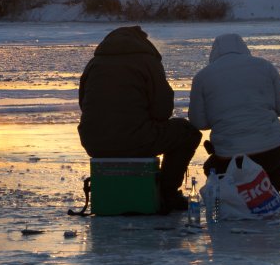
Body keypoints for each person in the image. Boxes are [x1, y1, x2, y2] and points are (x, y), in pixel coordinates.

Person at [78, 26, 201, 212]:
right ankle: (167, 193)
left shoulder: (94, 64)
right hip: (136, 140)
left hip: (94, 143)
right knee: (187, 133)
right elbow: (162, 111)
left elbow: (83, 103)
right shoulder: (148, 62)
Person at [188, 33, 280, 190]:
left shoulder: (202, 77)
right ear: (244, 48)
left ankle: (233, 196)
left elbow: (198, 122)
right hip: (271, 155)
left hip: (229, 160)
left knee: (209, 167)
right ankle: (278, 187)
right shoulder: (264, 66)